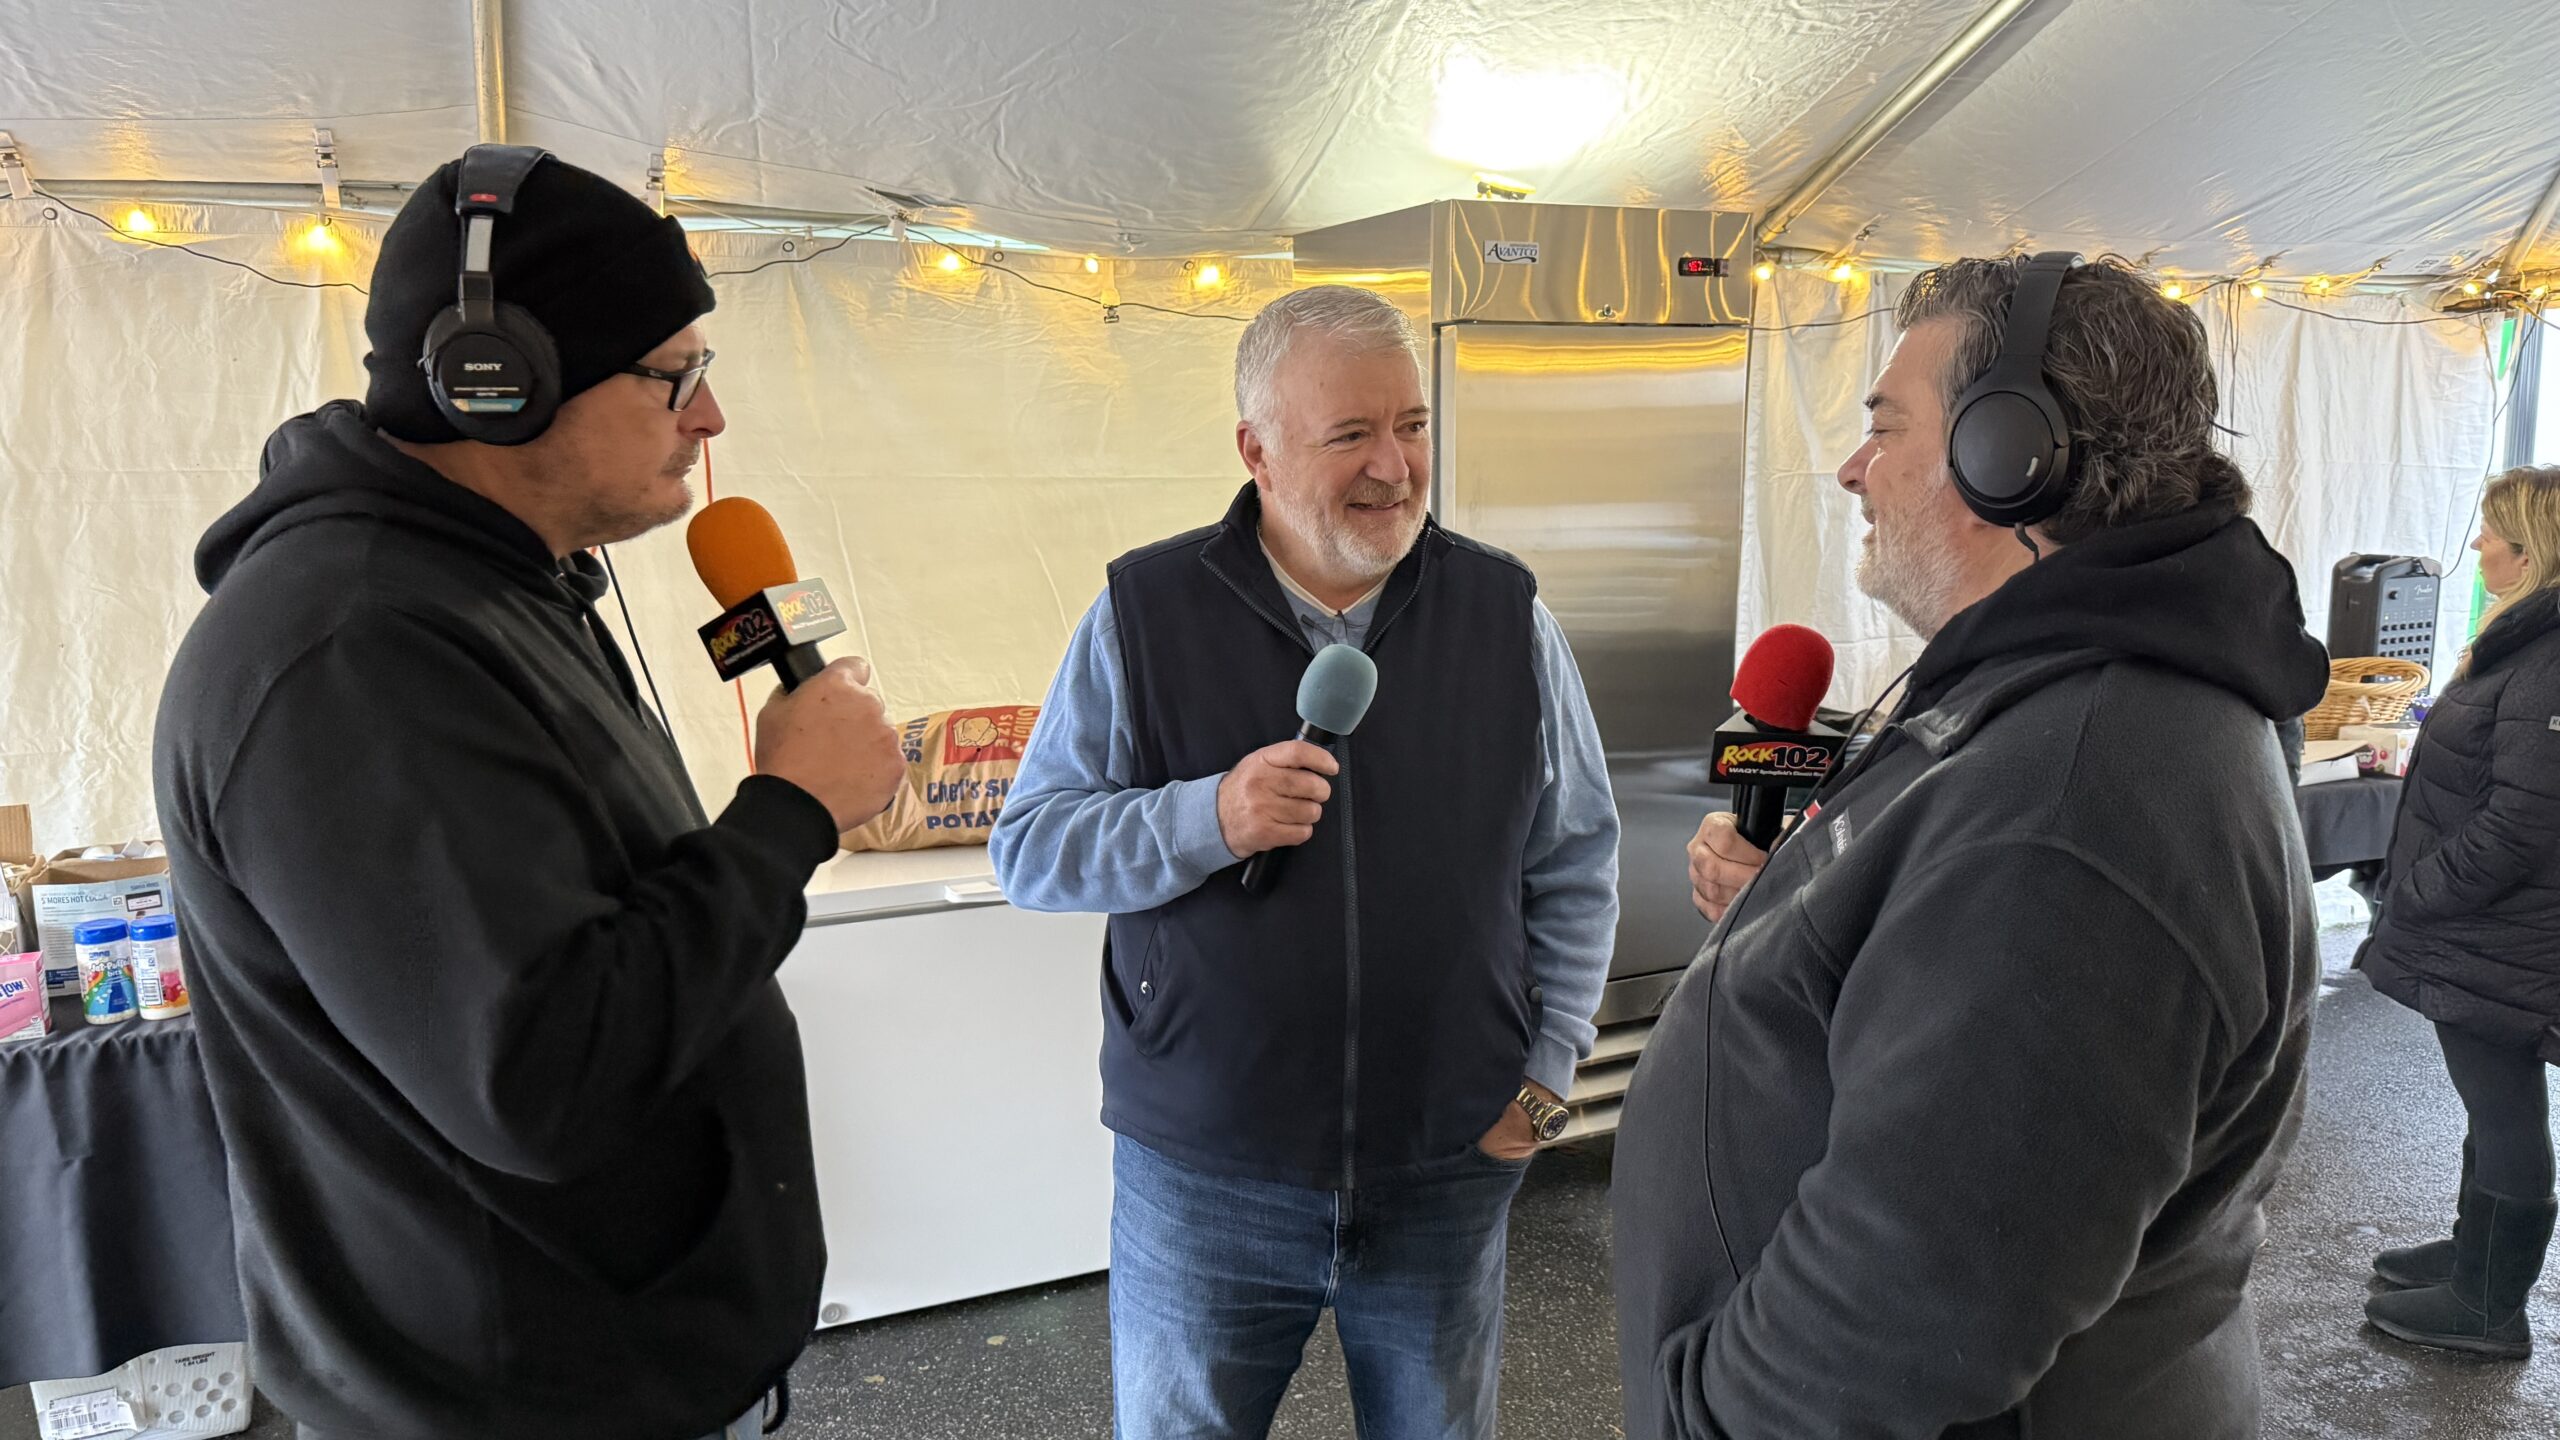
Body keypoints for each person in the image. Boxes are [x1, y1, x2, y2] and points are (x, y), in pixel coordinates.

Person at [152, 149, 905, 1440]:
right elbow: (544, 1077)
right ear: (497, 382)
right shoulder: (357, 654)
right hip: (510, 1407)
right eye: (676, 376)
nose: (711, 419)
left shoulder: (493, 588)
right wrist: (788, 814)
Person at [1617, 255, 2332, 1439]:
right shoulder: (2064, 704)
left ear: (2009, 456)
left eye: (1885, 426)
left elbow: (1901, 1316)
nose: (1852, 468)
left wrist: (1703, 1416)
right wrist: (1797, 904)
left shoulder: (2073, 804)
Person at [989, 284, 1620, 1439]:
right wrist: (1208, 818)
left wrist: (1546, 1076)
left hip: (1447, 1160)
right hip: (1204, 1176)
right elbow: (1031, 850)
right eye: (1351, 435)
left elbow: (1573, 856)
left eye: (1412, 426)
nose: (1394, 466)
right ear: (1256, 451)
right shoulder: (1144, 611)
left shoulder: (1506, 614)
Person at [2359, 464, 2560, 1358]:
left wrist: (2421, 891)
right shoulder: (2527, 641)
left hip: (2502, 934)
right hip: (2491, 930)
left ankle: (2489, 1308)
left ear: (2531, 551)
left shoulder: (2548, 662)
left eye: (2491, 532)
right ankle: (2474, 1257)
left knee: (2505, 1107)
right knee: (2492, 1102)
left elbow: (2523, 825)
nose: (2477, 544)